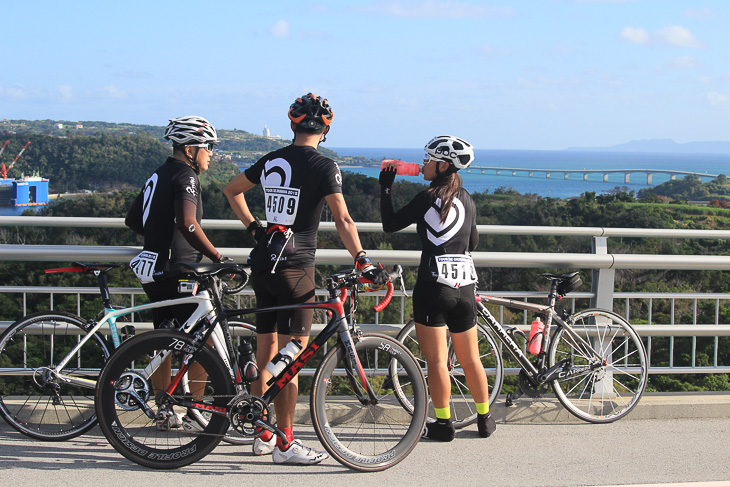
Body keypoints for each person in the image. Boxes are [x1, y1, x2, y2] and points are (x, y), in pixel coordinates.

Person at [223, 93, 388, 465]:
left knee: (269, 352)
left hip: (264, 264)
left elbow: (231, 190)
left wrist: (255, 228)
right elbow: (343, 219)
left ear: (292, 123)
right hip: (297, 269)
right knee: (293, 354)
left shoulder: (272, 159)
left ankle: (263, 432)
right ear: (326, 128)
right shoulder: (324, 166)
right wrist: (361, 258)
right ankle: (285, 443)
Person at [379, 135, 496, 441]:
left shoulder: (426, 198)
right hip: (465, 288)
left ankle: (443, 424)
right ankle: (484, 419)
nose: (423, 164)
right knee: (471, 359)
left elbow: (389, 224)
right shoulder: (467, 199)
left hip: (433, 287)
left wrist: (386, 187)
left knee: (436, 362)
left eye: (428, 159)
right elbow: (473, 243)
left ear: (444, 165)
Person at [125, 115, 230, 429]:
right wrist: (217, 256)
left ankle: (165, 410)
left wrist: (159, 233)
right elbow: (188, 222)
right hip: (177, 270)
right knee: (205, 341)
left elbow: (134, 220)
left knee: (165, 341)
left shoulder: (158, 174)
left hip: (152, 267)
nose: (211, 153)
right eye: (207, 147)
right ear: (190, 149)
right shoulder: (186, 176)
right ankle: (196, 409)